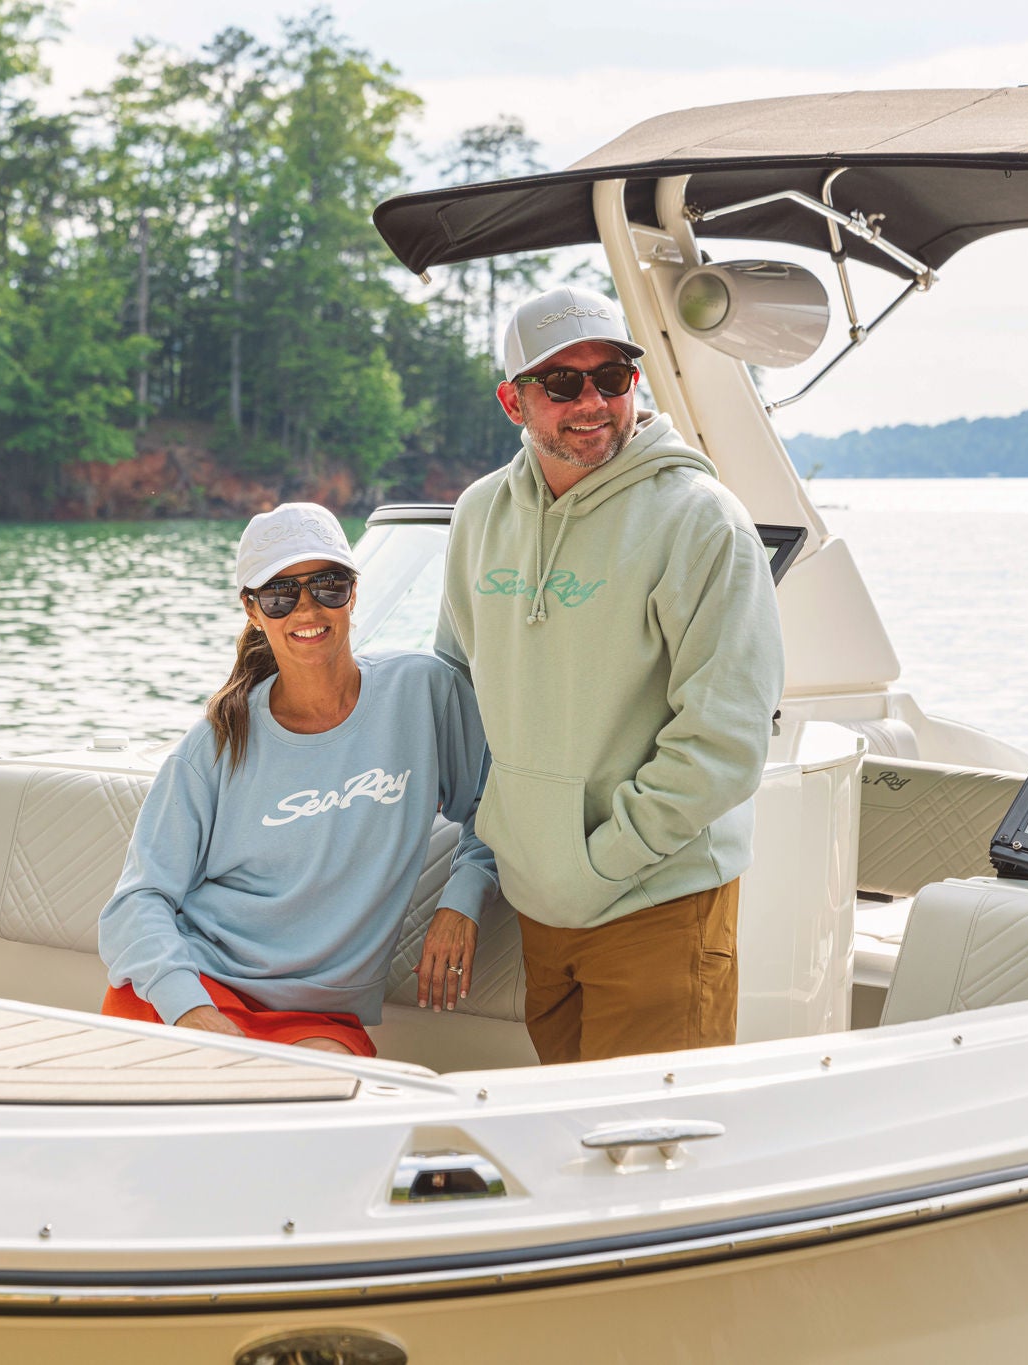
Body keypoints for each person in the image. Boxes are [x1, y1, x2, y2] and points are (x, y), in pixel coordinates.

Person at [432, 285, 785, 1064]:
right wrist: (492, 860)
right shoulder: (478, 515)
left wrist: (600, 862)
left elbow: (723, 743)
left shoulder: (703, 521)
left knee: (657, 1162)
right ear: (512, 401)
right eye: (561, 382)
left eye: (613, 377)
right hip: (538, 907)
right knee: (568, 1148)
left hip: (657, 900)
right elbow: (458, 690)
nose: (591, 400)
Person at [98, 503, 495, 1055]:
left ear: (353, 593)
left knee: (323, 1112)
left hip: (318, 1015)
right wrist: (191, 1011)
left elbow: (495, 804)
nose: (307, 608)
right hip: (194, 991)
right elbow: (135, 903)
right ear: (253, 610)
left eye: (327, 585)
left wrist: (464, 898)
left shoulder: (423, 693)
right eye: (281, 594)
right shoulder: (216, 742)